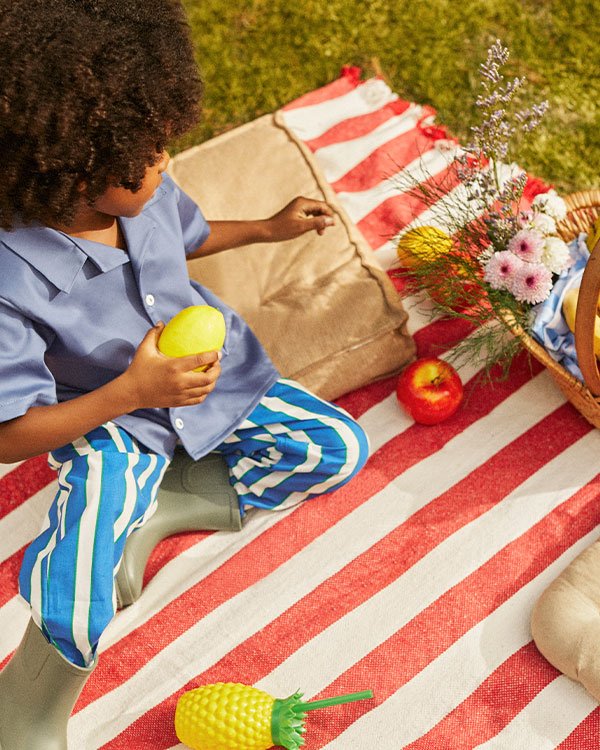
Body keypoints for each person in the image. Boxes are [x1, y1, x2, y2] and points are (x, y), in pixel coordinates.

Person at [0, 1, 370, 747]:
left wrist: (266, 227)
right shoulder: (10, 278)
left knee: (336, 448)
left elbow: (187, 237)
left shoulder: (147, 187)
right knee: (80, 586)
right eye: (150, 151)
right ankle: (28, 706)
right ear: (73, 167)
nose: (168, 158)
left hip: (209, 380)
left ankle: (176, 500)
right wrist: (132, 395)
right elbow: (10, 437)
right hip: (110, 419)